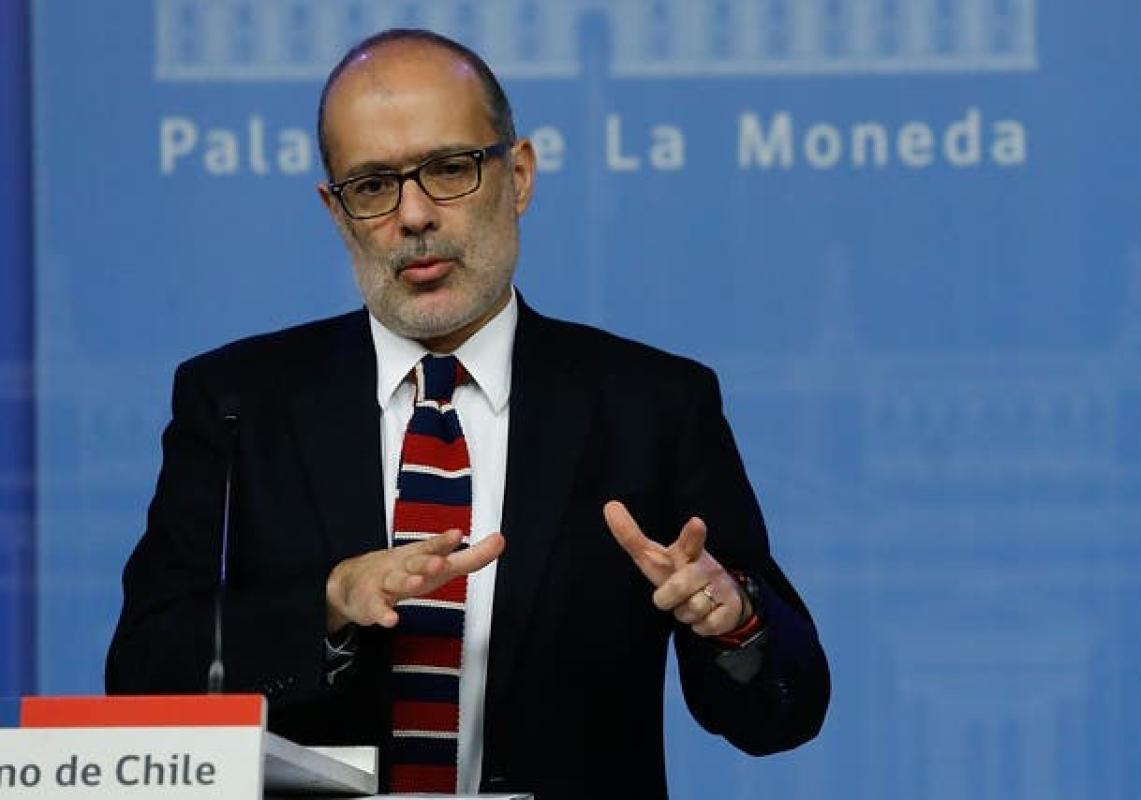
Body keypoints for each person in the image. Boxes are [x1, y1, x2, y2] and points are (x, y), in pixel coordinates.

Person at [106, 29, 829, 799]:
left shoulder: (651, 405)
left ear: (517, 176)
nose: (414, 215)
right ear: (336, 211)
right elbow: (145, 678)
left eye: (450, 169)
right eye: (372, 185)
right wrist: (329, 604)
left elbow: (781, 714)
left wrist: (733, 620)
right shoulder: (236, 402)